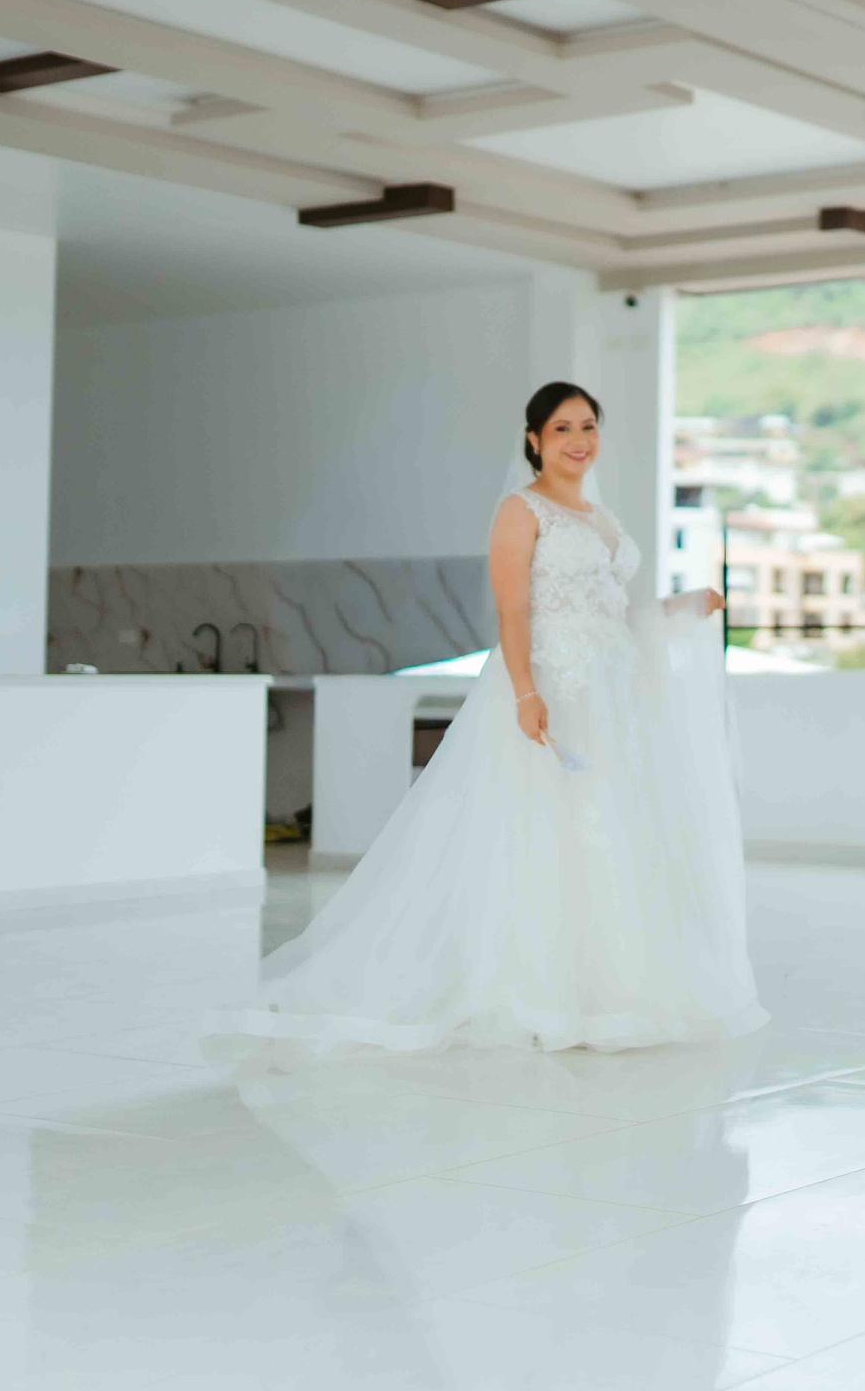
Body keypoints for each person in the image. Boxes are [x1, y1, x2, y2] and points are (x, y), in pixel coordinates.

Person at [220, 382, 764, 1054]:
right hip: (548, 687)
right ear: (534, 438)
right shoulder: (521, 509)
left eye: (588, 426)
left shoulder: (599, 516)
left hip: (607, 695)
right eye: (562, 427)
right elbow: (513, 611)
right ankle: (529, 988)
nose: (578, 440)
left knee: (604, 836)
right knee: (538, 834)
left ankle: (605, 990)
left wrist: (683, 605)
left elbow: (611, 611)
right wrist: (527, 695)